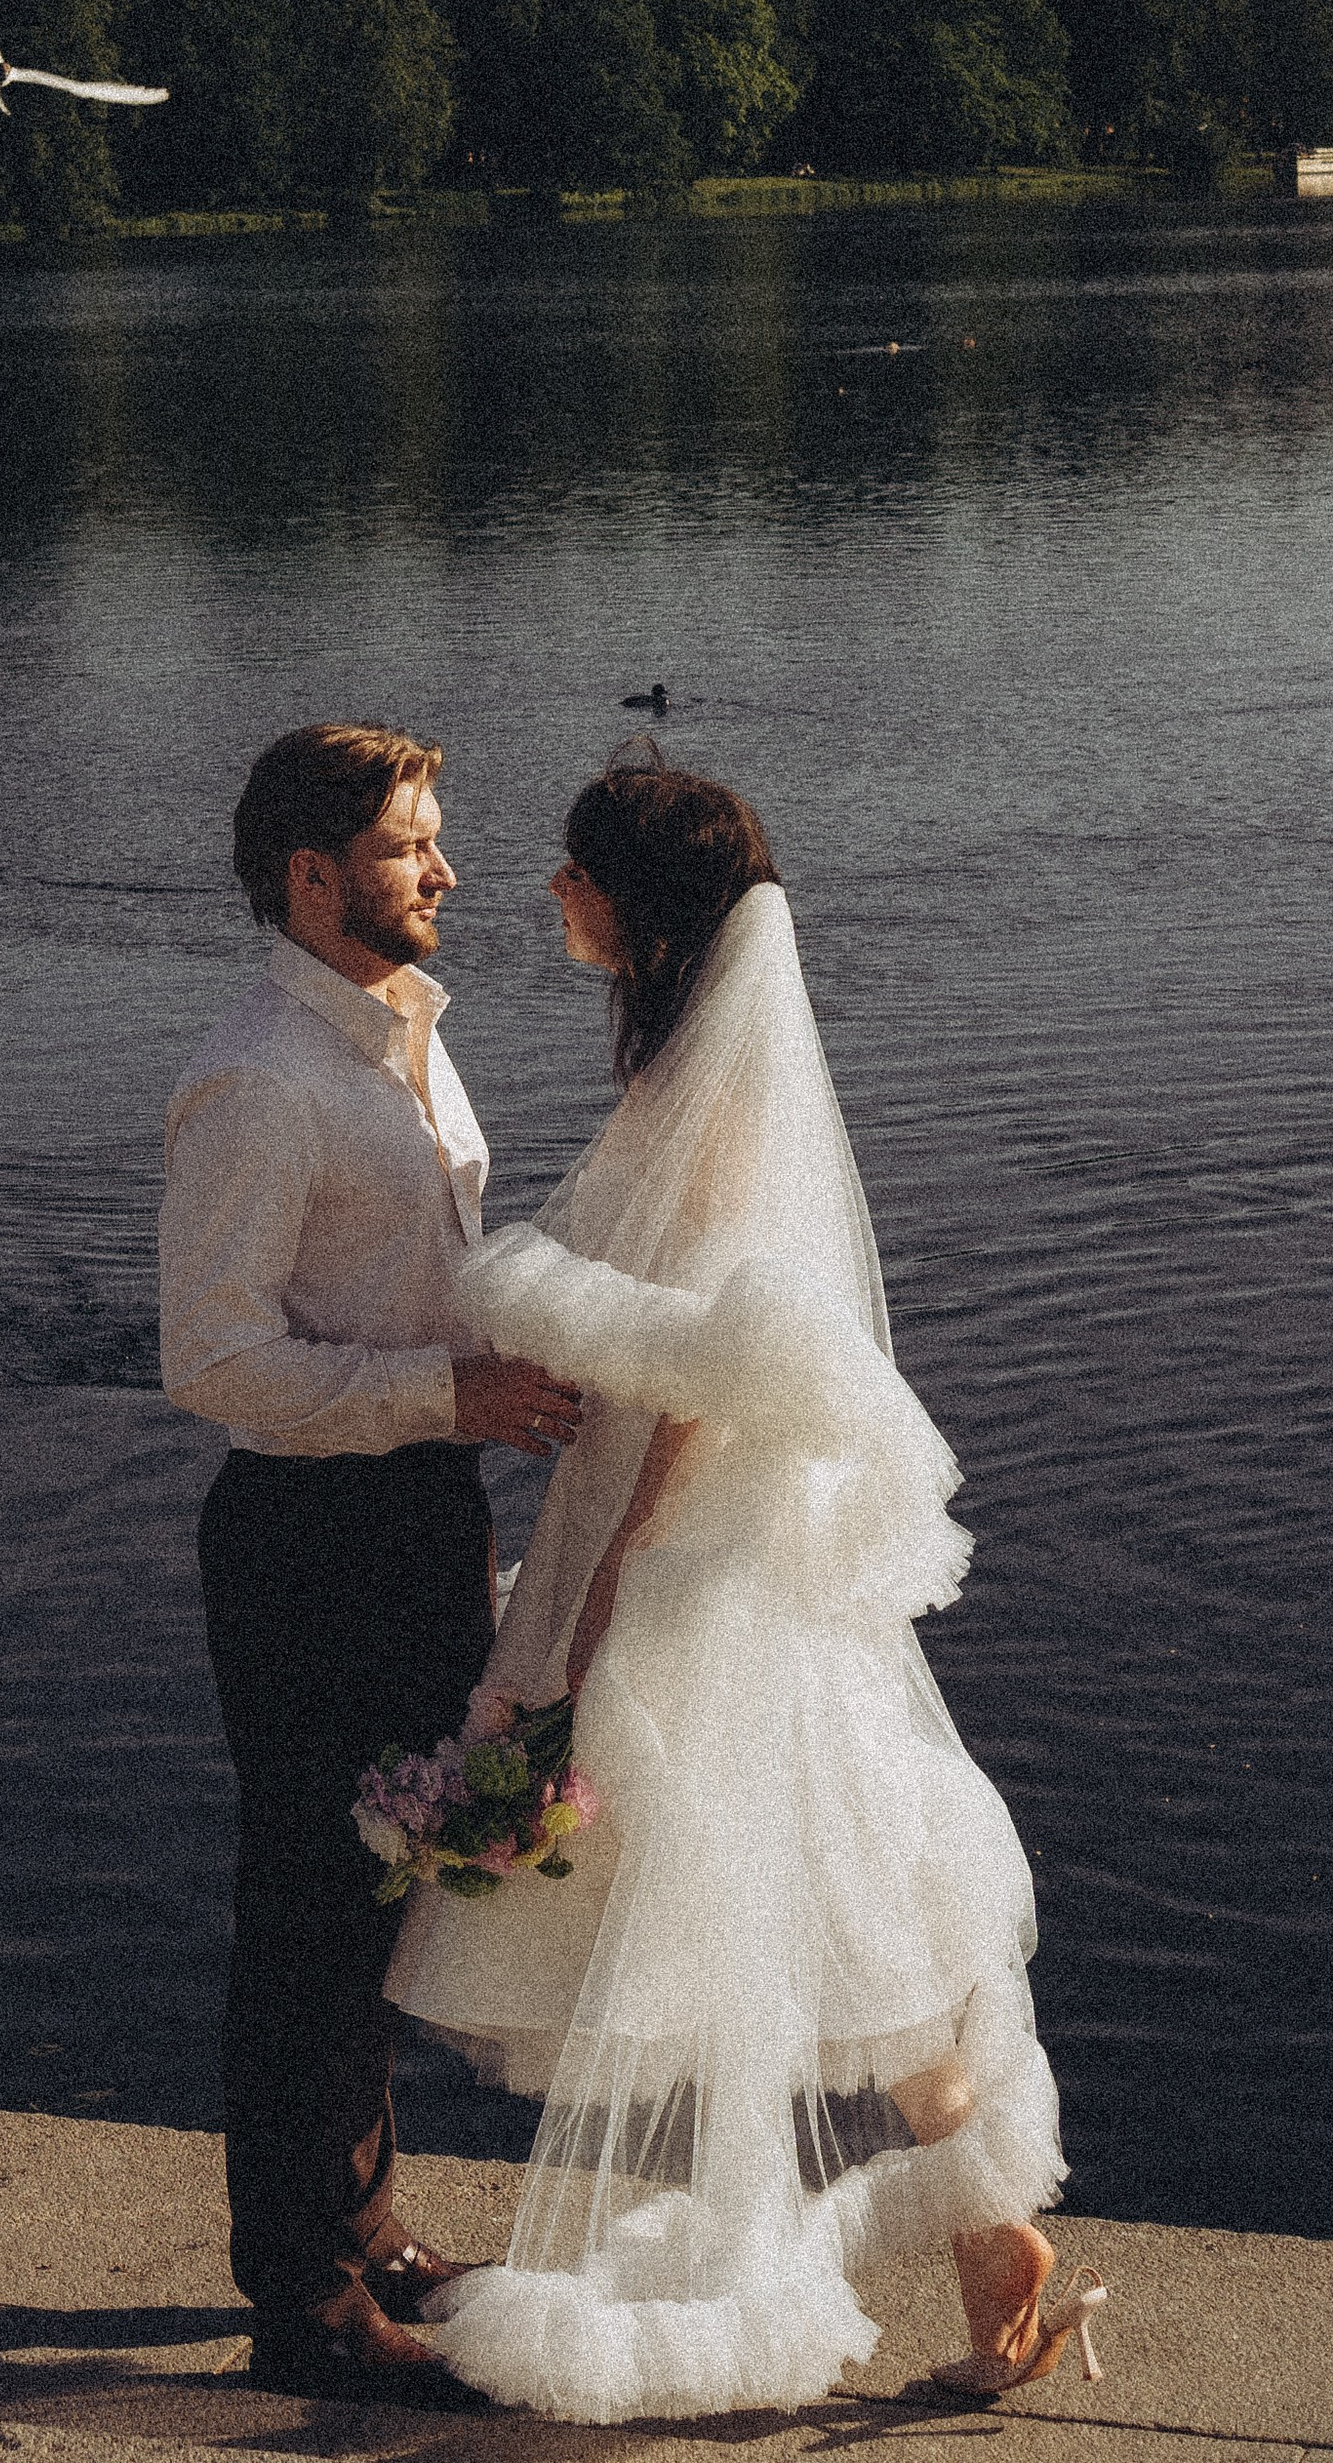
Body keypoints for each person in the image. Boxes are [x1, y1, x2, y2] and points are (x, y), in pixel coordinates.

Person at [391, 750, 1105, 2420]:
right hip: (710, 1559)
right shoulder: (703, 1071)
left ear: (640, 903)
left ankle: (746, 2302)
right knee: (813, 1921)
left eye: (576, 870)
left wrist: (605, 1594)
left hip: (693, 1566)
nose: (551, 892)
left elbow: (720, 1373)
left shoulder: (712, 1097)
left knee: (735, 1932)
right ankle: (992, 2260)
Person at [160, 722, 585, 2405]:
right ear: (311, 874)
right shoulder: (260, 1081)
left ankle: (369, 2227)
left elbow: (422, 1274)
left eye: (436, 839)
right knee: (310, 1912)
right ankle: (305, 2302)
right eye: (413, 846)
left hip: (419, 1508)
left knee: (389, 1891)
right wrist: (447, 1391)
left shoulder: (404, 1033)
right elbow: (211, 1363)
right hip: (309, 1538)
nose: (447, 871)